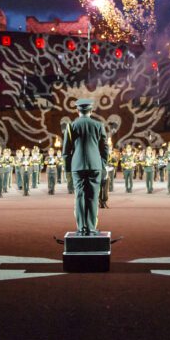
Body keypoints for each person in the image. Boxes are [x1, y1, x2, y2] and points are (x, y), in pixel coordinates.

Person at [62, 98, 109, 236]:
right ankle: (91, 227)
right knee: (93, 197)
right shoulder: (98, 125)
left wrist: (68, 170)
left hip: (77, 167)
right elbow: (105, 148)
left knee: (80, 197)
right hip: (95, 166)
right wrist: (102, 164)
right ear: (91, 110)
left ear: (77, 111)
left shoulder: (71, 126)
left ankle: (81, 227)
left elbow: (66, 152)